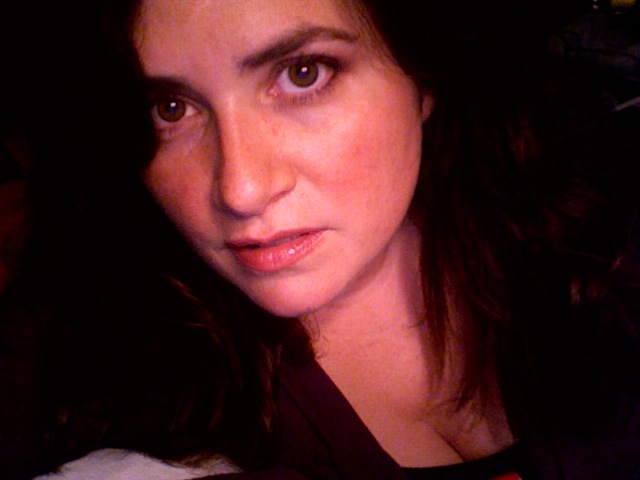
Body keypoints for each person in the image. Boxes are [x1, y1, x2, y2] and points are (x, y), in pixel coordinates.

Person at [2, 0, 640, 479]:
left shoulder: (597, 235)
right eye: (171, 108)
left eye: (303, 74)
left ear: (422, 77)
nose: (241, 189)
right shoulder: (88, 355)